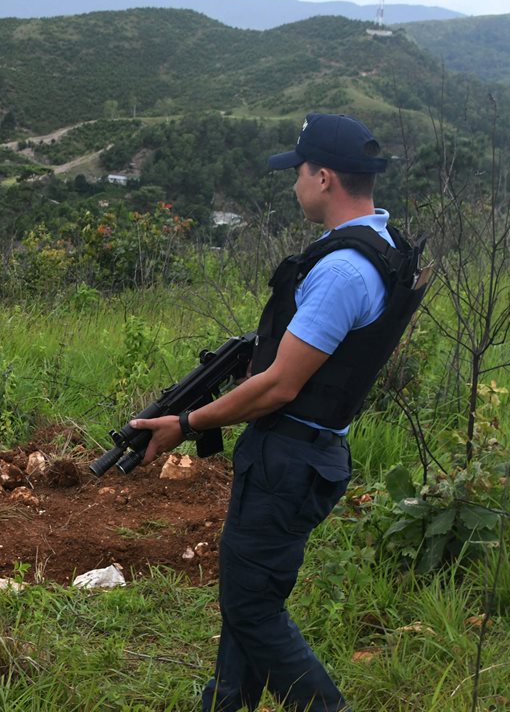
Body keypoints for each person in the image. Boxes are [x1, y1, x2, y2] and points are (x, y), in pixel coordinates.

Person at [130, 113, 424, 712]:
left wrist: (186, 424)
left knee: (251, 608)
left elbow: (279, 388)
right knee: (250, 597)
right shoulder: (386, 244)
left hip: (287, 458)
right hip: (311, 453)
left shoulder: (343, 269)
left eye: (297, 172)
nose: (293, 184)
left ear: (322, 178)